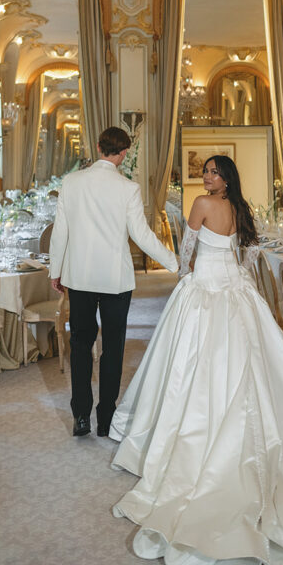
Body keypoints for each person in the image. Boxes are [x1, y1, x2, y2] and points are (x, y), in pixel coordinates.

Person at [109, 155, 283, 565]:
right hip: (236, 289)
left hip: (206, 289)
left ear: (225, 178)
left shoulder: (201, 204)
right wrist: (240, 279)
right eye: (205, 172)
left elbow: (187, 250)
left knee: (197, 367)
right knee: (252, 365)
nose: (207, 177)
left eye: (213, 172)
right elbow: (252, 254)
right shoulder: (241, 209)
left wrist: (185, 276)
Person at [49, 126, 178, 438]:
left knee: (79, 345)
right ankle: (106, 416)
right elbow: (141, 235)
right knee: (114, 347)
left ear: (97, 146)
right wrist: (174, 262)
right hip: (116, 281)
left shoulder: (71, 182)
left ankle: (81, 416)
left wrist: (56, 271)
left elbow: (60, 232)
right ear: (123, 153)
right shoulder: (127, 188)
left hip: (79, 277)